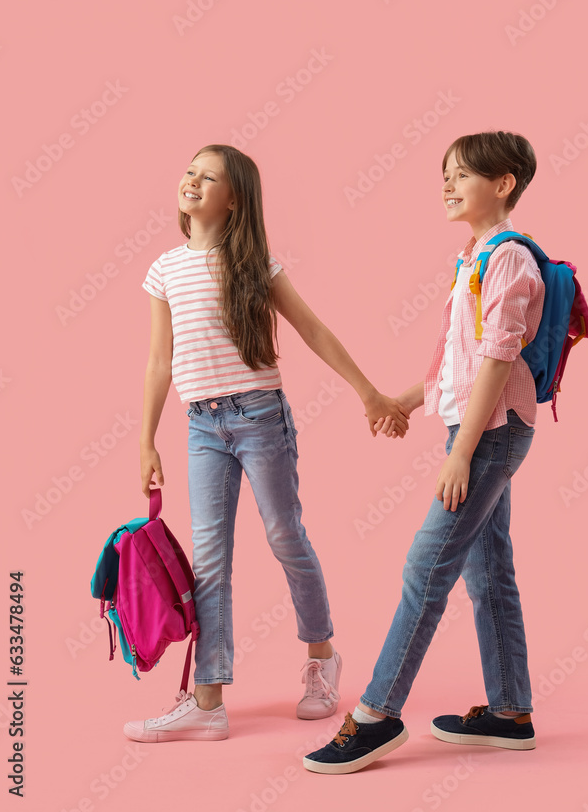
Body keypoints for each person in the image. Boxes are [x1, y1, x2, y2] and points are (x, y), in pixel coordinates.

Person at [123, 144, 410, 743]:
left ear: (235, 200)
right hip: (201, 427)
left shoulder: (254, 263)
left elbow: (311, 328)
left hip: (260, 418)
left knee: (285, 535)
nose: (193, 182)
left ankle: (321, 656)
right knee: (209, 558)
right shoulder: (164, 269)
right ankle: (207, 699)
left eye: (211, 178)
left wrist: (369, 393)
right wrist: (146, 440)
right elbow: (158, 361)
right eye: (190, 171)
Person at [304, 131, 545, 774]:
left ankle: (377, 716)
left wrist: (461, 452)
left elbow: (497, 362)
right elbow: (458, 368)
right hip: (478, 428)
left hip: (489, 436)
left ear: (503, 183)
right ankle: (509, 712)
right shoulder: (474, 256)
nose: (447, 184)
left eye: (462, 174)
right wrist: (401, 402)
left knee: (426, 565)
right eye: (445, 174)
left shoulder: (508, 260)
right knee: (488, 570)